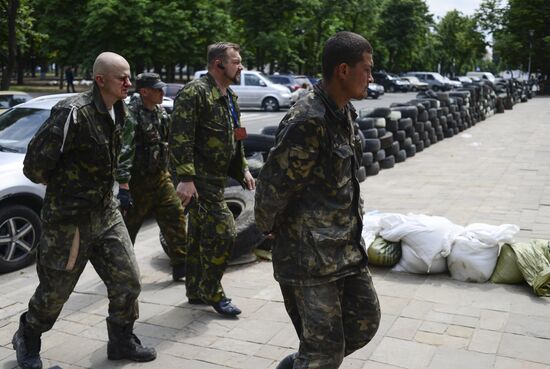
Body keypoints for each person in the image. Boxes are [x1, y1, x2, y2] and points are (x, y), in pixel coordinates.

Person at [13, 52, 156, 369]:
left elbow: (116, 159)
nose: (129, 84)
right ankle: (28, 336)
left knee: (128, 282)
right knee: (54, 293)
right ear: (101, 80)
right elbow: (34, 166)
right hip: (70, 221)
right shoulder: (71, 113)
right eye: (123, 78)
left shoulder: (120, 111)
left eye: (130, 77)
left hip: (107, 214)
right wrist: (66, 189)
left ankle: (121, 340)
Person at [254, 31, 381, 369]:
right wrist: (267, 229)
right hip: (308, 257)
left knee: (365, 321)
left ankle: (301, 362)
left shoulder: (344, 113)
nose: (371, 77)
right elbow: (272, 187)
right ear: (343, 70)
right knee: (325, 354)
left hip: (345, 248)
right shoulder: (309, 120)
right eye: (366, 70)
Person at [171, 42, 255, 316]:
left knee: (196, 236)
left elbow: (237, 135)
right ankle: (212, 291)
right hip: (199, 180)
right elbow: (180, 138)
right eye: (236, 61)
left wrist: (242, 168)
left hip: (218, 179)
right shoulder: (195, 93)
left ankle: (195, 290)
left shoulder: (229, 96)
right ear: (219, 63)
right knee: (225, 233)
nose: (241, 66)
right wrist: (185, 178)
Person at [116, 72, 187, 281]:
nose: (162, 92)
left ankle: (181, 265)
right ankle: (120, 271)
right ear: (144, 91)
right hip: (137, 183)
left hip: (160, 178)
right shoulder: (131, 115)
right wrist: (124, 186)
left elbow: (168, 140)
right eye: (157, 89)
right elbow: (124, 152)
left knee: (175, 216)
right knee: (127, 230)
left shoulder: (159, 112)